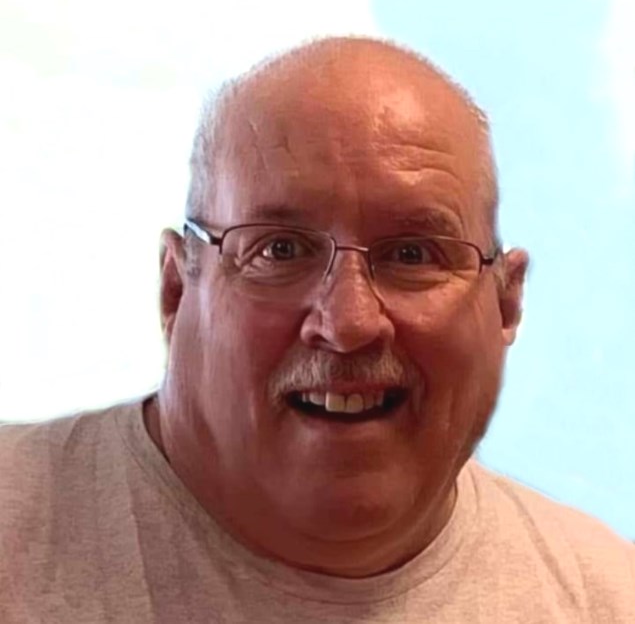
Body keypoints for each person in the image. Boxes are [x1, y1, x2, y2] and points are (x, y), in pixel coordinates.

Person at [0, 36, 633, 624]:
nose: (349, 322)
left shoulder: (603, 598)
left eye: (413, 254)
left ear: (506, 303)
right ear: (177, 290)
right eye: (279, 250)